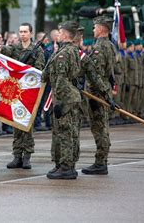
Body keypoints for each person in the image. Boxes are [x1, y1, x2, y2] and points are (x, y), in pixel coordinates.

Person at [1, 23, 44, 169]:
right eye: (20, 31)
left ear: (31, 33)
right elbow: (2, 55)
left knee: (27, 124)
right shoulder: (14, 49)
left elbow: (39, 70)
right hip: (15, 90)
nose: (22, 34)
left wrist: (25, 69)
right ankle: (17, 155)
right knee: (16, 122)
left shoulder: (37, 51)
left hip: (29, 91)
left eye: (25, 31)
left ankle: (27, 156)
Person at [42, 21, 81, 179]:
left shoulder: (64, 54)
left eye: (59, 31)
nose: (57, 34)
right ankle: (64, 164)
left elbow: (61, 80)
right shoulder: (71, 50)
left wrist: (59, 103)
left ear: (65, 34)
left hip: (64, 98)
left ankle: (66, 167)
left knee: (64, 133)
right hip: (70, 96)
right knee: (67, 132)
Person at [81, 15, 116, 175]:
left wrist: (100, 95)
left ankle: (101, 162)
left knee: (100, 128)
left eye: (95, 27)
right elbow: (110, 73)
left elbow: (96, 74)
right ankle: (101, 161)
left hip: (98, 94)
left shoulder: (99, 48)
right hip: (104, 91)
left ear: (101, 29)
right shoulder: (110, 45)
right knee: (102, 127)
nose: (93, 30)